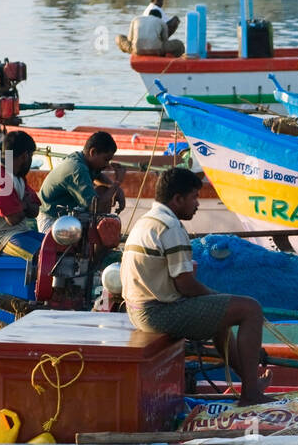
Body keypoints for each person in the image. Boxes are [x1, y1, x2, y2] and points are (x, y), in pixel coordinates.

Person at [122, 168, 268, 405]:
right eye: (193, 198)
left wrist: (216, 299)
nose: (197, 204)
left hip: (137, 312)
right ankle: (251, 393)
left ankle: (250, 383)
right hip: (157, 313)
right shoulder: (170, 226)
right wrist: (216, 295)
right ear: (177, 199)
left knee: (221, 317)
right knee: (250, 309)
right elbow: (185, 285)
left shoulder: (148, 220)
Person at [38, 131, 127, 234]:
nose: (107, 165)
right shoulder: (77, 169)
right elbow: (96, 207)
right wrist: (117, 182)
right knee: (99, 211)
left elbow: (98, 175)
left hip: (67, 216)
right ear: (93, 152)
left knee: (103, 192)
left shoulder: (82, 158)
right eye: (106, 160)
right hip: (52, 220)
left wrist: (116, 189)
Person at [0, 130, 43, 261]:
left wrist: (21, 206)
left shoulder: (18, 176)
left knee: (58, 246)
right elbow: (13, 218)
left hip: (21, 233)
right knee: (47, 257)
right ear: (25, 156)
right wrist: (24, 204)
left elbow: (35, 211)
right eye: (31, 155)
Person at [117, 8, 185, 58]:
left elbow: (129, 39)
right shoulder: (161, 22)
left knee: (119, 38)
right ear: (159, 17)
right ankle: (172, 59)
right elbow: (165, 40)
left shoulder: (135, 19)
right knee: (179, 44)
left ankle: (133, 52)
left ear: (148, 15)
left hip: (137, 50)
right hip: (156, 51)